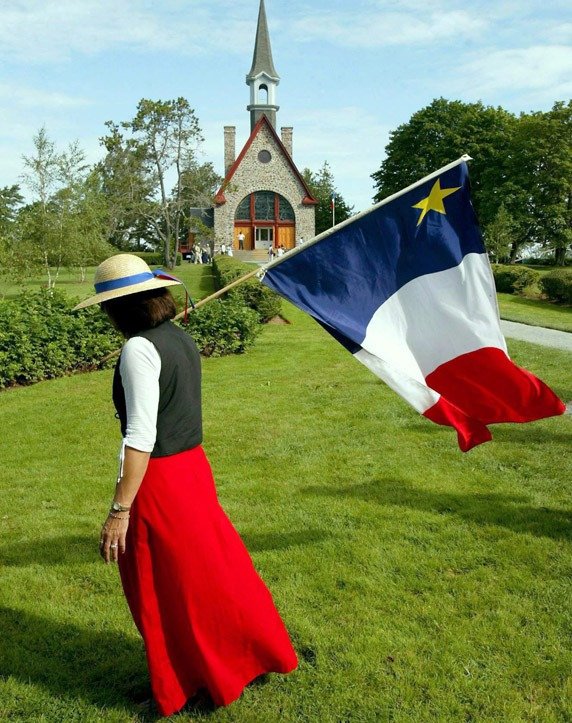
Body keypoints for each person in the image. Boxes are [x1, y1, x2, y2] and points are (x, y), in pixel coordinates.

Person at [73, 254, 297, 717]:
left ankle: (183, 680)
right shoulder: (178, 337)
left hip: (163, 481)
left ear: (120, 308)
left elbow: (140, 435)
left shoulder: (139, 348)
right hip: (193, 468)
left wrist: (119, 510)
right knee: (207, 574)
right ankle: (231, 658)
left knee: (166, 586)